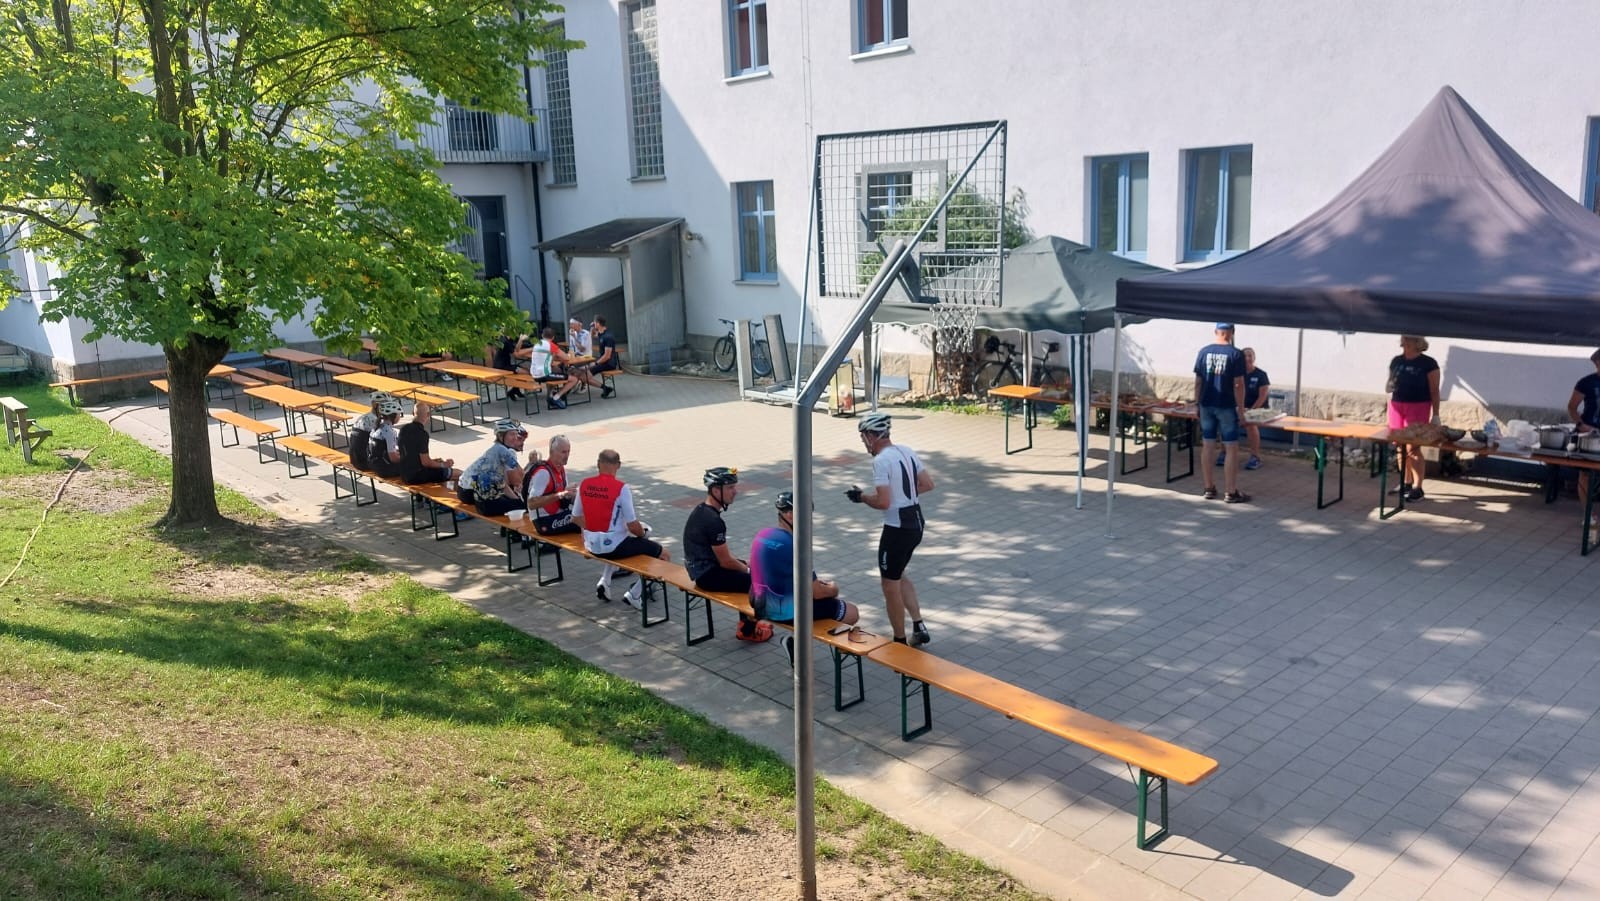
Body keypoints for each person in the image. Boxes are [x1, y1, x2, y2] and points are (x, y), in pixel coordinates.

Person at [845, 413, 933, 646]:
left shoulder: (881, 461)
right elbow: (927, 484)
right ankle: (918, 625)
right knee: (898, 573)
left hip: (897, 528)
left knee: (889, 585)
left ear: (871, 436)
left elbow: (883, 502)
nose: (863, 443)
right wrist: (903, 494)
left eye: (863, 438)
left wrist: (862, 497)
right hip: (916, 521)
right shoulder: (906, 450)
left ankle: (899, 641)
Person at [751, 491, 860, 667]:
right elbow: (817, 593)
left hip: (759, 605)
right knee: (852, 612)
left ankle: (796, 642)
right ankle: (796, 644)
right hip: (784, 612)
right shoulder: (796, 546)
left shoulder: (763, 535)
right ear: (789, 515)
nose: (810, 520)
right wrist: (833, 588)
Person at [683, 467, 770, 643]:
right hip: (707, 577)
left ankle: (748, 623)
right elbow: (726, 562)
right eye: (730, 487)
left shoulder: (701, 510)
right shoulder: (714, 521)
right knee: (758, 582)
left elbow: (723, 557)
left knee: (748, 568)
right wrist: (747, 569)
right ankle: (747, 630)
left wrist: (743, 564)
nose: (735, 491)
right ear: (716, 490)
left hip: (700, 569)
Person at [576, 448, 670, 607]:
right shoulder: (621, 488)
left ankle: (605, 581)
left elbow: (575, 517)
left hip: (591, 545)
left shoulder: (584, 484)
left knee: (616, 537)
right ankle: (635, 594)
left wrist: (589, 535)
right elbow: (633, 526)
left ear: (598, 464)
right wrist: (643, 534)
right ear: (618, 465)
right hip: (613, 547)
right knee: (663, 554)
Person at [1194, 323, 1250, 504]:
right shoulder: (1236, 354)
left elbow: (1198, 381)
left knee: (1208, 445)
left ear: (1216, 332)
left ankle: (1208, 488)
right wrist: (1241, 409)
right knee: (1231, 447)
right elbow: (1239, 384)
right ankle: (1230, 492)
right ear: (1232, 333)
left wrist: (1196, 404)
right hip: (1226, 405)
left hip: (1206, 403)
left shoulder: (1203, 352)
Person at [1387, 335, 1441, 502]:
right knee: (1399, 445)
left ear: (1417, 342)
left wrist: (1436, 414)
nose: (1405, 342)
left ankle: (1418, 488)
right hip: (1397, 405)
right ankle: (1406, 482)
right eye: (1404, 339)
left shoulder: (1429, 363)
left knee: (1413, 447)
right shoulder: (1396, 361)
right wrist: (1389, 385)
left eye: (1409, 339)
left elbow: (1434, 390)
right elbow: (1391, 381)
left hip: (1418, 406)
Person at [458, 418, 535, 517]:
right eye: (511, 434)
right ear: (500, 436)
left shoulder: (496, 449)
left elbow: (503, 483)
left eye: (516, 434)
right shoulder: (504, 451)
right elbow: (519, 478)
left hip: (464, 491)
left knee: (516, 501)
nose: (515, 438)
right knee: (524, 506)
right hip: (472, 493)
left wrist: (516, 499)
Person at [1566, 348, 1600, 521]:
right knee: (1585, 474)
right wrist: (1581, 425)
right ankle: (1589, 515)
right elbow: (1572, 407)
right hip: (1589, 434)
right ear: (1598, 363)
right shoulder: (1586, 382)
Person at [525, 433, 580, 535]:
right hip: (544, 521)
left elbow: (564, 498)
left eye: (568, 451)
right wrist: (561, 494)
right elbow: (531, 504)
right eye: (563, 452)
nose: (567, 455)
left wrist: (575, 495)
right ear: (552, 452)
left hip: (557, 515)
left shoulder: (561, 469)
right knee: (583, 519)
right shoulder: (543, 473)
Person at [398, 402, 461, 485]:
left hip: (405, 474)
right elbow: (426, 462)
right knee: (459, 474)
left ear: (413, 413)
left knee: (442, 472)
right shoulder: (422, 434)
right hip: (417, 475)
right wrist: (443, 464)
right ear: (428, 415)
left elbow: (411, 455)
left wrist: (437, 462)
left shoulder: (403, 429)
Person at [527, 326, 580, 410]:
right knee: (574, 379)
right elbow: (566, 357)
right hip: (544, 375)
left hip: (534, 374)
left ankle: (550, 395)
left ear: (542, 335)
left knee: (556, 372)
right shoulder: (551, 345)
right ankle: (556, 397)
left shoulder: (537, 344)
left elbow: (549, 361)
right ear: (553, 337)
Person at [348, 391, 394, 471]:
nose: (387, 408)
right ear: (374, 405)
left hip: (355, 459)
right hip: (364, 462)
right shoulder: (374, 421)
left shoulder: (364, 417)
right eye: (384, 405)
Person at [1240, 348, 1270, 471]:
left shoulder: (1261, 375)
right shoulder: (1238, 374)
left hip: (1258, 409)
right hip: (1241, 408)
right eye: (1245, 356)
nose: (1247, 358)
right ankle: (1224, 452)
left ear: (1254, 358)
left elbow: (1262, 396)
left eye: (1250, 356)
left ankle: (1255, 457)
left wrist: (1250, 411)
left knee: (1250, 424)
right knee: (1226, 421)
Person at [575, 316, 619, 399]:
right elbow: (592, 336)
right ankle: (605, 388)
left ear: (598, 323)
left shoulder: (608, 337)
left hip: (609, 363)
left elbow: (607, 356)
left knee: (584, 376)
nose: (593, 324)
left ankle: (606, 388)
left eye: (594, 322)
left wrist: (596, 363)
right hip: (604, 362)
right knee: (584, 371)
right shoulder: (602, 333)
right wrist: (592, 328)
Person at [367, 397, 405, 479]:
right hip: (383, 469)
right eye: (399, 414)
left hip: (373, 464)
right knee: (413, 465)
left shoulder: (377, 426)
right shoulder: (389, 432)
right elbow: (393, 459)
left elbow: (385, 451)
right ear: (394, 416)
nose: (400, 416)